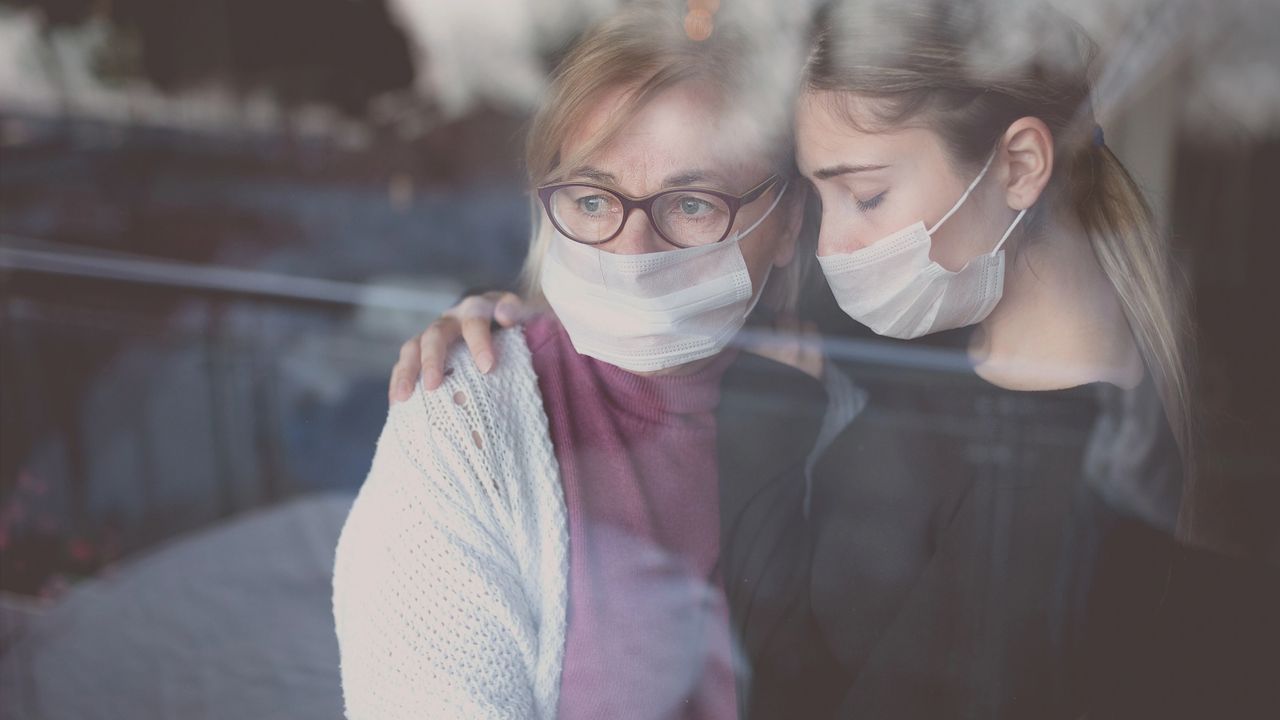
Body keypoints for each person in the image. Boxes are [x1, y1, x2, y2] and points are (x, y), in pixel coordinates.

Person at [390, 1, 1279, 718]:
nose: (832, 245)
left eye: (863, 195)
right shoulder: (879, 388)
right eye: (589, 198)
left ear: (1019, 169)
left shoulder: (1008, 458)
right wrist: (507, 340)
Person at [332, 3, 854, 718]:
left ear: (788, 222)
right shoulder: (466, 418)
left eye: (692, 204)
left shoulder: (839, 421)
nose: (631, 253)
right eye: (591, 198)